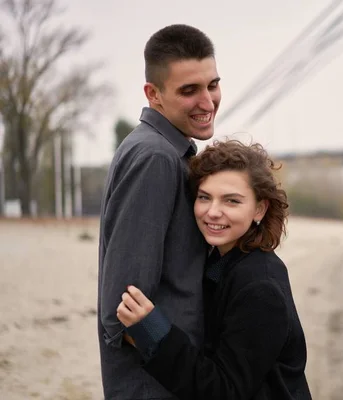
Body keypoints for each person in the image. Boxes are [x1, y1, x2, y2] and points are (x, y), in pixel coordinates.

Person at [116, 140, 312, 400]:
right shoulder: (223, 262)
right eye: (204, 197)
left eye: (231, 201)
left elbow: (224, 391)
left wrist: (153, 333)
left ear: (259, 209)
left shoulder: (260, 287)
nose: (213, 212)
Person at [98, 24, 221, 399]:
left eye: (212, 84)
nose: (208, 101)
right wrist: (183, 369)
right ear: (154, 94)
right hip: (157, 386)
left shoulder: (169, 152)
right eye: (189, 90)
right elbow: (122, 306)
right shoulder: (155, 157)